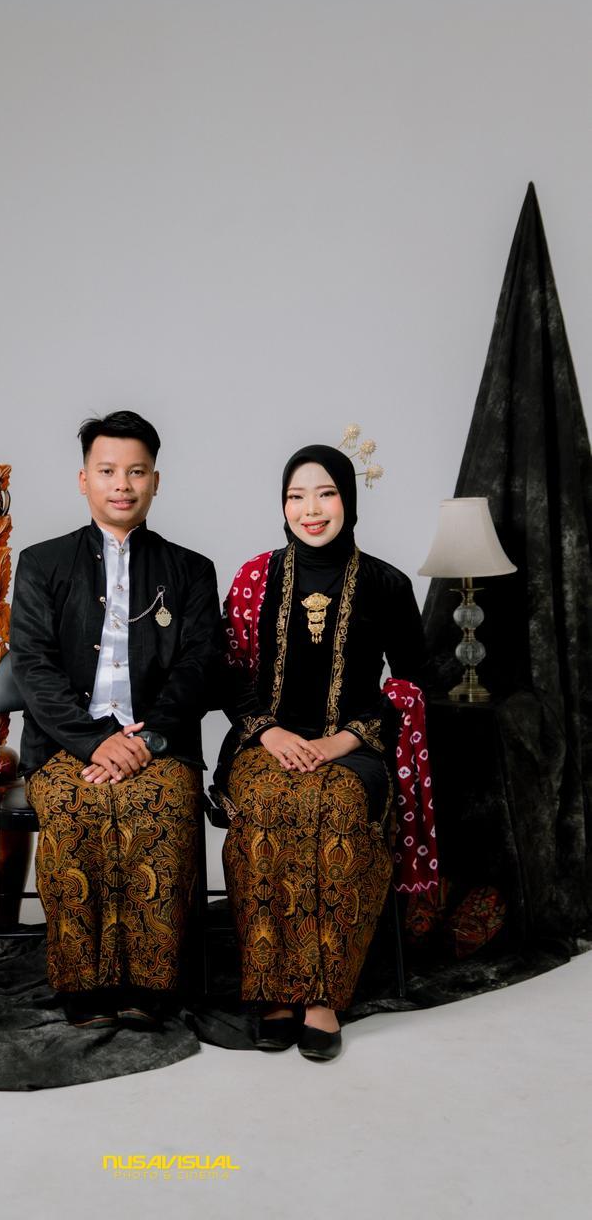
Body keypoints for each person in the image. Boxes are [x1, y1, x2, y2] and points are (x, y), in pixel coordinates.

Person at [9, 410, 221, 1029]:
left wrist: (146, 739)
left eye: (136, 471)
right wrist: (96, 742)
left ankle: (152, 983)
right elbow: (33, 668)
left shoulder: (191, 570)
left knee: (156, 807)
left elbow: (199, 666)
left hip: (160, 744)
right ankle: (84, 985)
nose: (121, 484)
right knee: (74, 810)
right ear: (84, 480)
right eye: (107, 471)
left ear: (156, 480)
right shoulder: (42, 563)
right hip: (65, 746)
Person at [214, 443, 425, 1060]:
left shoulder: (386, 583)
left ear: (348, 500)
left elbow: (411, 682)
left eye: (326, 493)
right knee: (268, 803)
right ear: (282, 505)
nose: (311, 510)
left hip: (353, 744)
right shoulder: (255, 577)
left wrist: (343, 740)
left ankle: (322, 998)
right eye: (296, 496)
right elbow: (225, 669)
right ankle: (272, 991)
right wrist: (269, 732)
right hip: (266, 741)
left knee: (335, 806)